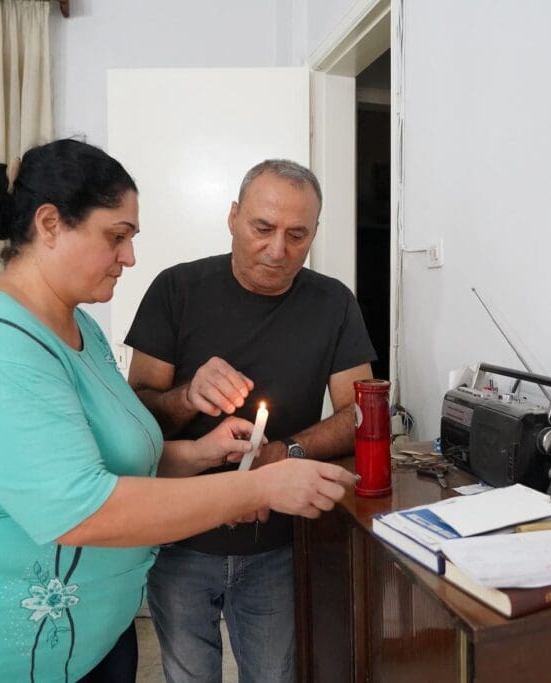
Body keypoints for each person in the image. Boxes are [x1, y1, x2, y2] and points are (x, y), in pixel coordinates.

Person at [0, 140, 356, 683]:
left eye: (130, 239)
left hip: (91, 642)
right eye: (116, 237)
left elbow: (111, 457)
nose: (130, 257)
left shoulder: (82, 332)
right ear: (50, 225)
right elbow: (83, 508)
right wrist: (259, 488)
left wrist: (199, 452)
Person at [125, 159, 376, 682]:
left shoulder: (333, 302)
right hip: (180, 535)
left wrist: (283, 455)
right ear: (234, 216)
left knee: (273, 674)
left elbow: (361, 411)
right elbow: (135, 416)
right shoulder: (177, 289)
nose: (277, 250)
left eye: (297, 235)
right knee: (188, 674)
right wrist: (188, 396)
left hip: (276, 546)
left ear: (314, 235)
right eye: (263, 228)